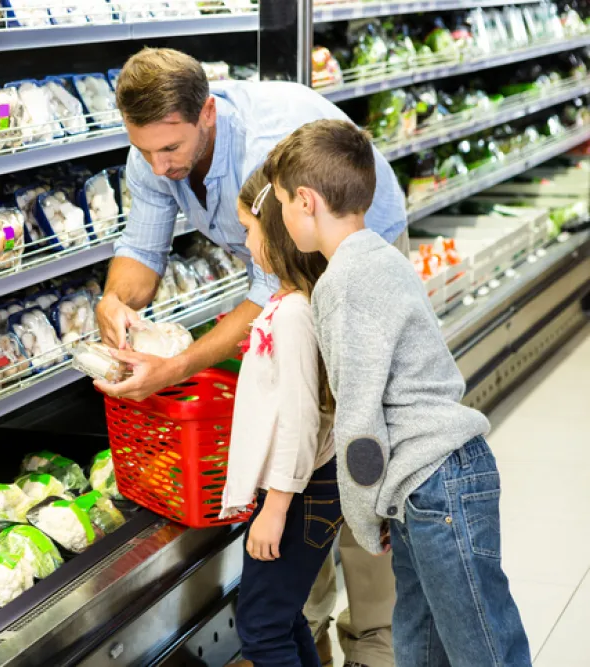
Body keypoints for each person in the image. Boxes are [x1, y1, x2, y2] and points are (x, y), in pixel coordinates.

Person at [96, 46, 400, 667]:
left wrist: (175, 368)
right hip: (279, 274)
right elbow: (141, 250)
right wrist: (115, 303)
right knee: (302, 423)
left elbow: (275, 293)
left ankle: (375, 643)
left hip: (358, 263)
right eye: (145, 149)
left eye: (171, 149)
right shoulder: (153, 152)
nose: (160, 164)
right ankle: (301, 624)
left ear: (207, 112)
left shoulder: (272, 153)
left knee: (359, 444)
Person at [262, 118, 532, 666]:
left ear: (307, 201)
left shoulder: (340, 284)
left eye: (285, 203)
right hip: (432, 484)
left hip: (435, 485)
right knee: (420, 641)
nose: (283, 219)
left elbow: (359, 424)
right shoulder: (382, 256)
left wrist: (363, 519)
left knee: (483, 649)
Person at [221, 168, 341, 667]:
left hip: (300, 490)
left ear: (275, 232)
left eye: (249, 229)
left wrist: (274, 510)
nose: (245, 241)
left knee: (261, 628)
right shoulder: (290, 301)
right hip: (300, 486)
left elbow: (298, 420)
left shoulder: (293, 314)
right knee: (284, 615)